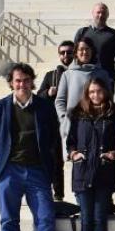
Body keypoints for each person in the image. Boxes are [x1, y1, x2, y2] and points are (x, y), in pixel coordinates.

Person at [0, 63, 64, 231]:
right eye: (18, 80)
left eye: (26, 80)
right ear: (11, 83)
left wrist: (55, 177)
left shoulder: (44, 107)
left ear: (32, 82)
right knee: (8, 220)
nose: (22, 84)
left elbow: (53, 141)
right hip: (9, 171)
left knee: (45, 217)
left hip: (37, 170)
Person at [66, 78, 115, 231]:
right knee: (86, 220)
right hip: (82, 173)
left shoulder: (114, 113)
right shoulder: (78, 113)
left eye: (99, 91)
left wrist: (114, 154)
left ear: (106, 92)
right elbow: (70, 140)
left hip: (104, 173)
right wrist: (73, 154)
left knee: (100, 220)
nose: (95, 95)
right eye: (91, 92)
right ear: (86, 93)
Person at [55, 37, 112, 150]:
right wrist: (64, 118)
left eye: (87, 49)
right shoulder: (68, 75)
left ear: (92, 51)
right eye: (81, 49)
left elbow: (108, 98)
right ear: (76, 52)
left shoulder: (102, 74)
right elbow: (60, 100)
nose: (84, 52)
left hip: (97, 124)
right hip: (74, 126)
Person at [37, 40, 75, 200]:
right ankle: (58, 196)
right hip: (56, 125)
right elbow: (38, 96)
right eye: (62, 52)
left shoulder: (80, 73)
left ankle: (83, 196)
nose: (66, 55)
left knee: (80, 159)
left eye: (69, 52)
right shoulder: (51, 75)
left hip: (78, 123)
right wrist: (48, 92)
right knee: (55, 161)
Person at [74, 3, 115, 82]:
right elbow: (75, 55)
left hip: (106, 79)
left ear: (107, 15)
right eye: (98, 12)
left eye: (103, 13)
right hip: (84, 78)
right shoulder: (82, 32)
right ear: (93, 13)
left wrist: (114, 77)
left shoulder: (114, 34)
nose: (101, 15)